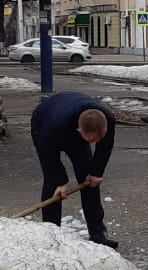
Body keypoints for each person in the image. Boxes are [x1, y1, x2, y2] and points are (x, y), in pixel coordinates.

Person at [30, 91, 119, 247]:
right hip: (43, 122)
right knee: (53, 184)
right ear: (79, 131)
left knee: (88, 179)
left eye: (98, 139)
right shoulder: (53, 126)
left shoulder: (107, 119)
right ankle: (51, 233)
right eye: (91, 140)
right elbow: (47, 155)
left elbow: (105, 147)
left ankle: (98, 233)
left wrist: (96, 172)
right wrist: (59, 181)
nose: (95, 143)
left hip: (69, 116)